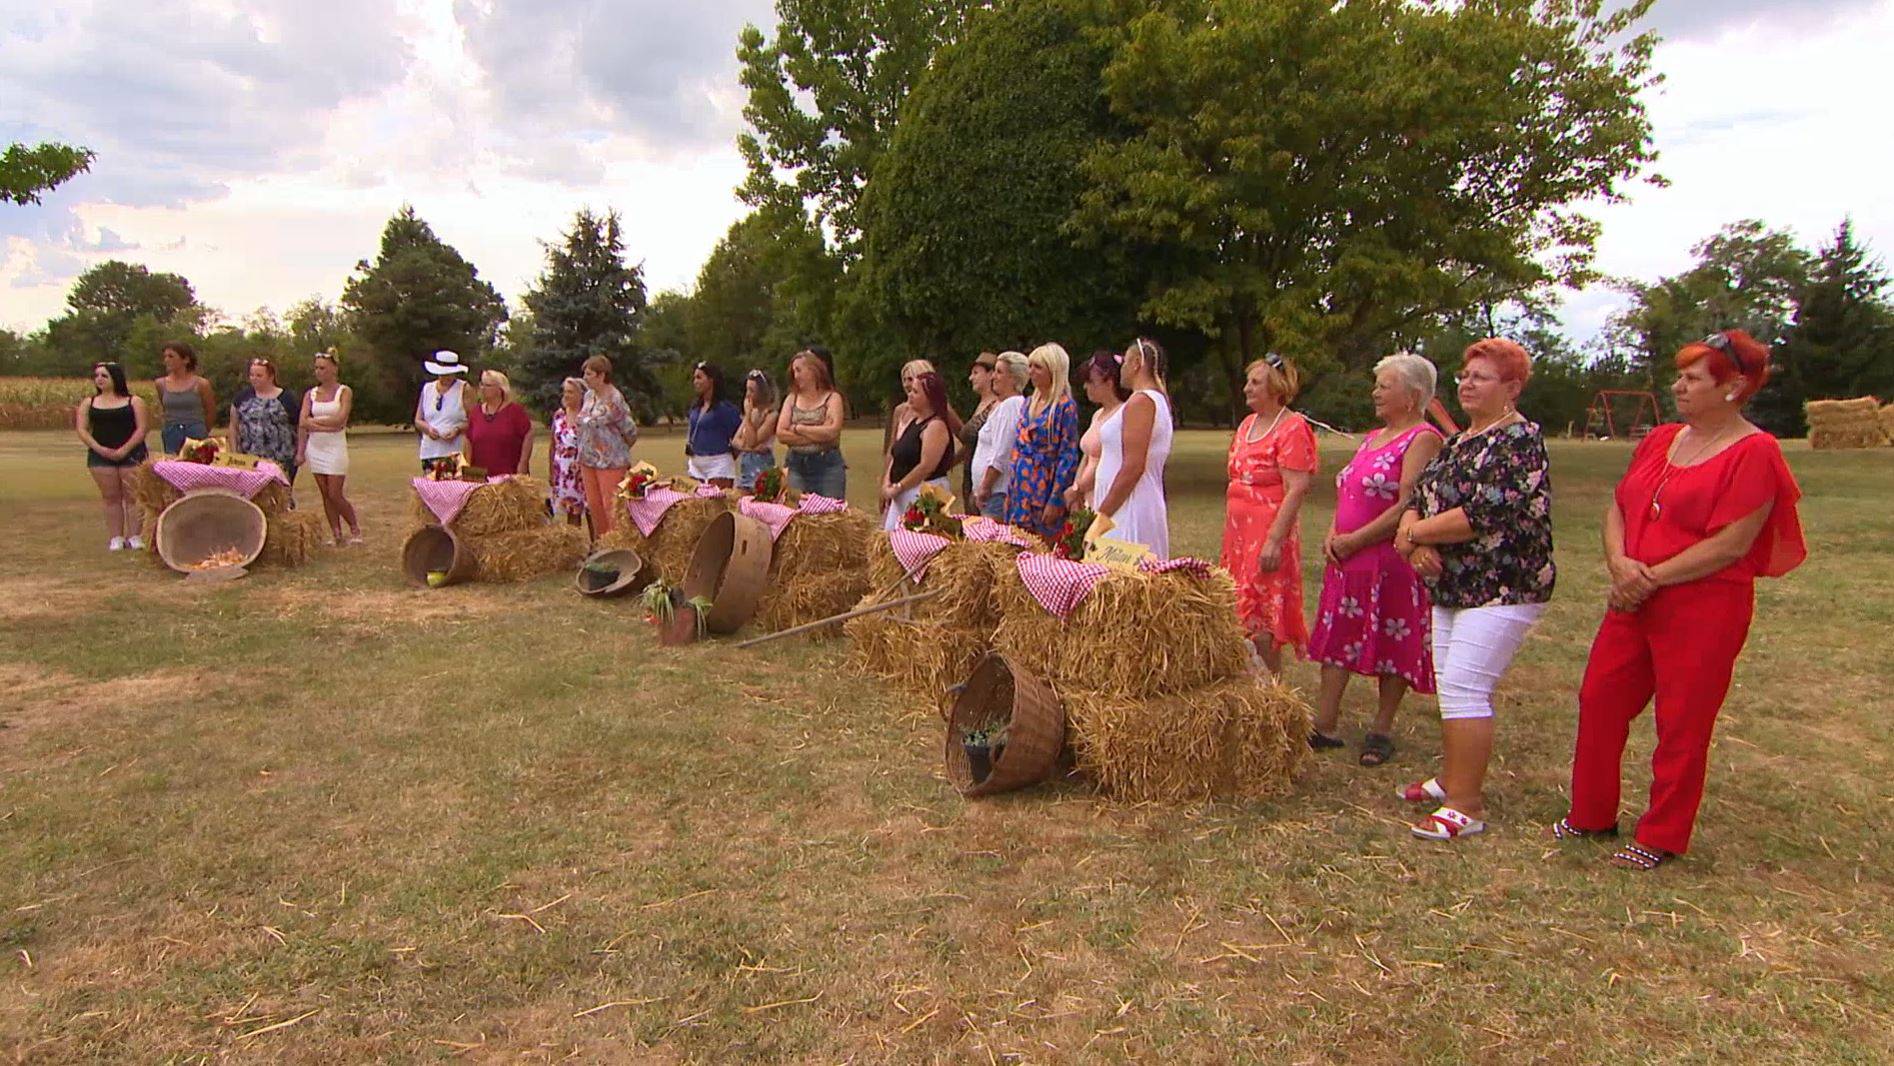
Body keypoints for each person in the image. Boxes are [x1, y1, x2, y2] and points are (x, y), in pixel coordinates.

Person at [1551, 330, 1805, 872]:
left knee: (1683, 721)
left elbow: (1732, 543)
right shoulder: (1660, 438)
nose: (1679, 387)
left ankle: (1662, 832)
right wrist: (1621, 565)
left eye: (1693, 378)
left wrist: (1652, 577)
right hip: (1632, 596)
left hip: (1704, 606)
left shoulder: (1755, 451)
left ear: (1734, 387)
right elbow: (1619, 506)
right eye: (1681, 376)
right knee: (1600, 698)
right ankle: (1591, 813)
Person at [1394, 338, 1555, 842]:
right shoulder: (1461, 440)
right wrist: (1413, 538)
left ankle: (1467, 804)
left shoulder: (1520, 440)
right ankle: (1450, 780)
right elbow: (1419, 496)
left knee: (1466, 686)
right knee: (1452, 685)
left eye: (1480, 377)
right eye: (1464, 375)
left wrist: (1416, 534)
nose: (1466, 383)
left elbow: (1485, 513)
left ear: (1511, 387)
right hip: (1453, 585)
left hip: (1504, 587)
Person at [1307, 353, 1445, 764]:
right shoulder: (1372, 436)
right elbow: (1349, 491)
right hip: (1348, 560)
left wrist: (1358, 540)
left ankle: (1381, 730)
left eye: (1385, 385)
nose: (1376, 392)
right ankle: (1324, 724)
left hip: (1390, 562)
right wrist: (1336, 535)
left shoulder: (1423, 438)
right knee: (1337, 640)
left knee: (1393, 641)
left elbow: (1409, 500)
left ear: (1413, 394)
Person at [1220, 353, 1319, 677]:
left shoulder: (1293, 428)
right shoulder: (1247, 424)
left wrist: (1275, 541)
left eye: (1255, 382)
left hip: (1267, 533)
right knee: (1237, 614)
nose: (1247, 388)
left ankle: (1272, 695)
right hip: (1238, 535)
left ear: (1276, 388)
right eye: (1248, 381)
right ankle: (1248, 686)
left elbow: (1296, 487)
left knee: (1262, 619)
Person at [1094, 336, 1175, 558]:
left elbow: (1133, 466)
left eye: (1125, 362)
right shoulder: (1148, 400)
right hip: (1124, 504)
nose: (1121, 369)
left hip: (1128, 506)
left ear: (1137, 363)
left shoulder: (1141, 402)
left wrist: (1103, 515)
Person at [1004, 343, 1081, 537]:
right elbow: (1017, 447)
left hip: (1045, 488)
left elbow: (1068, 456)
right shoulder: (1028, 403)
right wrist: (1010, 489)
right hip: (1020, 486)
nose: (1031, 372)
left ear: (1053, 371)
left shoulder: (1065, 407)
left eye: (1037, 367)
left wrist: (1056, 499)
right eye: (1030, 366)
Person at [75, 362, 150, 550]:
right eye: (97, 376)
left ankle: (134, 536)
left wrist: (125, 449)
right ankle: (115, 537)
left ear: (116, 378)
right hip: (101, 456)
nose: (99, 379)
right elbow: (82, 429)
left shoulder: (134, 401)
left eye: (104, 376)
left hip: (132, 454)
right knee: (111, 497)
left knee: (133, 496)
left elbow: (142, 428)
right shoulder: (89, 403)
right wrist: (99, 449)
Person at [297, 351, 362, 546]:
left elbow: (340, 419)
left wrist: (314, 422)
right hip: (315, 447)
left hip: (335, 447)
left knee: (335, 493)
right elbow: (302, 421)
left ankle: (354, 528)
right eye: (316, 368)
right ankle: (336, 533)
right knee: (325, 493)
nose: (319, 372)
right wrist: (320, 427)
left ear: (334, 369)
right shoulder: (311, 394)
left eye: (323, 368)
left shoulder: (344, 391)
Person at [880, 371, 954, 530]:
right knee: (890, 536)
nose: (910, 395)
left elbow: (926, 466)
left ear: (930, 397)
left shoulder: (935, 426)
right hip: (902, 494)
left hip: (927, 492)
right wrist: (887, 483)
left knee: (917, 541)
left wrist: (899, 486)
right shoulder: (914, 422)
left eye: (915, 392)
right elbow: (896, 454)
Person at [577, 354, 638, 537]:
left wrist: (619, 449)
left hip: (610, 461)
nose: (585, 378)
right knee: (594, 505)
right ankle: (602, 544)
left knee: (610, 505)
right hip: (588, 460)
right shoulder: (588, 396)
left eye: (589, 374)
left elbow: (630, 430)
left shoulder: (614, 399)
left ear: (601, 375)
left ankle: (616, 544)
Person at [775, 349, 847, 499]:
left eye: (799, 370)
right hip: (796, 465)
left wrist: (797, 428)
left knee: (829, 514)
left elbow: (832, 432)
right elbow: (781, 434)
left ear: (813, 371)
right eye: (794, 371)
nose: (796, 375)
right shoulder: (791, 399)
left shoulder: (833, 398)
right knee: (797, 513)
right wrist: (819, 433)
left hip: (827, 466)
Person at [1064, 350, 1130, 512]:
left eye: (1091, 381)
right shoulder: (1098, 415)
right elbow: (1087, 456)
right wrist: (1077, 488)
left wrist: (1077, 489)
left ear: (1109, 383)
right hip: (1087, 495)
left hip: (1104, 492)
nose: (1086, 386)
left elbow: (1104, 459)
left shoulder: (1121, 415)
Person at [883, 358, 963, 479]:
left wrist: (947, 464)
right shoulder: (900, 411)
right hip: (899, 477)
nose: (906, 384)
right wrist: (886, 478)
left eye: (910, 379)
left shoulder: (941, 409)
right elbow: (892, 447)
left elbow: (966, 438)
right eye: (904, 380)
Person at [971, 351, 1027, 521]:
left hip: (997, 493)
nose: (994, 377)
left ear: (1014, 378)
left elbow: (1001, 452)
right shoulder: (1004, 405)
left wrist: (985, 486)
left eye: (999, 372)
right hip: (993, 494)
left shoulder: (1011, 405)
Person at [227, 358, 300, 482]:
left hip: (281, 457)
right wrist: (234, 452)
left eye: (259, 375)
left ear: (271, 377)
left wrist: (299, 452)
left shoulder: (287, 398)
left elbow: (299, 426)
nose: (254, 378)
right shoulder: (242, 398)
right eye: (252, 375)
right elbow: (233, 426)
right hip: (250, 457)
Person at [463, 369, 533, 476]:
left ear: (500, 389)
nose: (482, 388)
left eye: (487, 385)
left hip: (508, 475)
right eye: (481, 384)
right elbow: (468, 440)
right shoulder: (475, 412)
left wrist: (523, 463)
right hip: (480, 475)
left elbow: (528, 434)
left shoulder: (514, 411)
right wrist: (467, 465)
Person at [685, 362, 743, 488]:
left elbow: (740, 434)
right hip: (696, 463)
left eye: (699, 377)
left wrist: (729, 457)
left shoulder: (724, 409)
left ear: (711, 380)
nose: (695, 381)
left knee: (715, 504)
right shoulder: (696, 407)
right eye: (694, 378)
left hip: (718, 464)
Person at [154, 341, 215, 455]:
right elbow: (163, 408)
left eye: (171, 356)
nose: (166, 360)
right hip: (172, 432)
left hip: (195, 431)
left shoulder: (201, 384)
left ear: (185, 360)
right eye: (165, 356)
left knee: (197, 467)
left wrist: (201, 430)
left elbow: (210, 411)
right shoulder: (161, 384)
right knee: (173, 468)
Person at [414, 350, 470, 471]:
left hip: (456, 453)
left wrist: (457, 430)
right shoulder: (427, 389)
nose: (446, 377)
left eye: (450, 374)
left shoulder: (464, 389)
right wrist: (428, 429)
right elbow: (418, 420)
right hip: (430, 452)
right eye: (443, 374)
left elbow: (474, 421)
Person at [958, 352, 1002, 503]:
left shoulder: (995, 408)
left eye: (976, 373)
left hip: (985, 484)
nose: (971, 378)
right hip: (969, 477)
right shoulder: (980, 405)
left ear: (991, 374)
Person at [547, 377, 589, 530]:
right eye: (565, 392)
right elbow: (553, 445)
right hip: (563, 473)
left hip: (583, 472)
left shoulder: (587, 417)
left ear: (581, 395)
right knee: (571, 512)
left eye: (571, 392)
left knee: (590, 511)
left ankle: (597, 545)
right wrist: (551, 471)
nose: (566, 395)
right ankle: (575, 545)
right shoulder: (559, 416)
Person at [734, 369, 779, 492]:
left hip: (761, 465)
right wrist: (749, 448)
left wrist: (748, 417)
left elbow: (753, 440)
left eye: (752, 390)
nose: (748, 394)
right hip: (746, 465)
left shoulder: (771, 415)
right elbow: (735, 441)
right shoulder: (751, 412)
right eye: (747, 389)